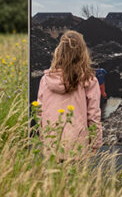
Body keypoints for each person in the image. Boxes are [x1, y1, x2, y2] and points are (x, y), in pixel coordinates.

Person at [36, 30, 103, 158]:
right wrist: (95, 143)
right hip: (77, 147)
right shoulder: (89, 79)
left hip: (52, 145)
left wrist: (44, 141)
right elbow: (94, 115)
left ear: (59, 52)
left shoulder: (46, 79)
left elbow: (39, 113)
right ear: (82, 53)